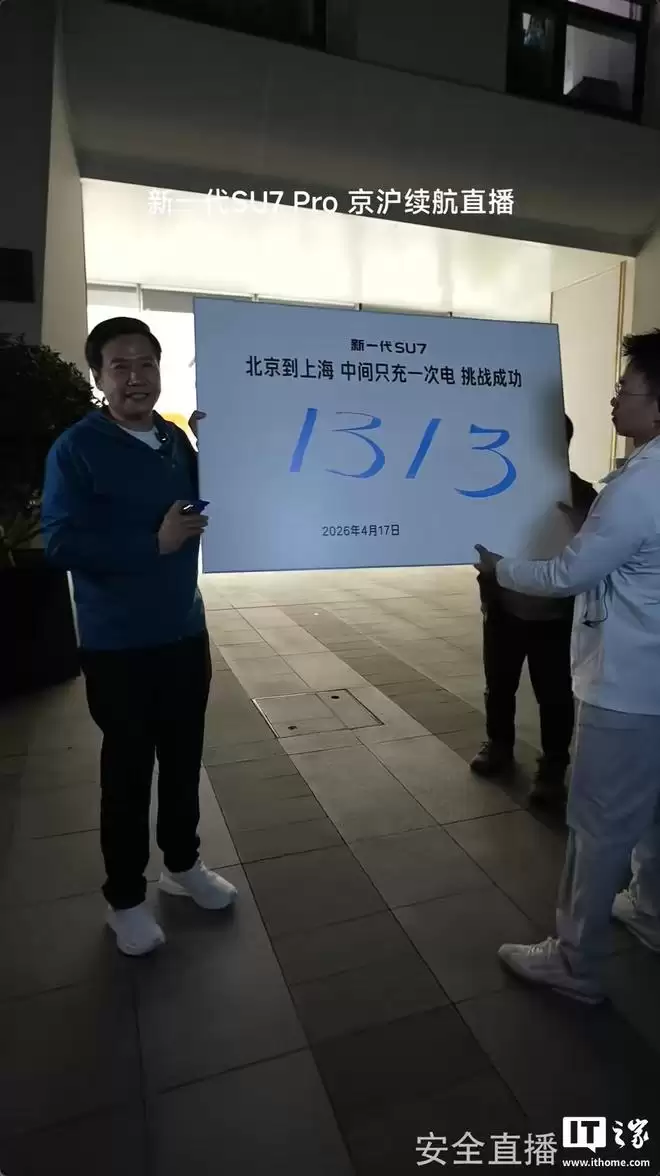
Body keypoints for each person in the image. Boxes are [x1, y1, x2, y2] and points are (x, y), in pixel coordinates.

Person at [474, 329, 660, 1004]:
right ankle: (651, 911)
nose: (614, 399)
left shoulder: (641, 484)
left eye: (625, 388)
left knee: (598, 823)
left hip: (629, 684)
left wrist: (501, 567)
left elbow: (566, 574)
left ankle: (575, 962)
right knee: (654, 809)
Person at [41, 317, 237, 957]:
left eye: (146, 364)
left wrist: (220, 450)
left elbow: (205, 503)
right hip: (118, 644)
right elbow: (59, 542)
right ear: (99, 377)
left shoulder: (175, 440)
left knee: (183, 759)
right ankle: (124, 898)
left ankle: (183, 866)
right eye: (120, 366)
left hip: (184, 630)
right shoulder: (77, 448)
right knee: (127, 772)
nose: (135, 378)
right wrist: (152, 543)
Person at [471, 415, 597, 809]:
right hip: (505, 609)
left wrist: (582, 528)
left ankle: (552, 770)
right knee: (499, 684)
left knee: (555, 695)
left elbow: (596, 554)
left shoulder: (584, 495)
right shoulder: (500, 485)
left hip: (556, 617)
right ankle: (499, 746)